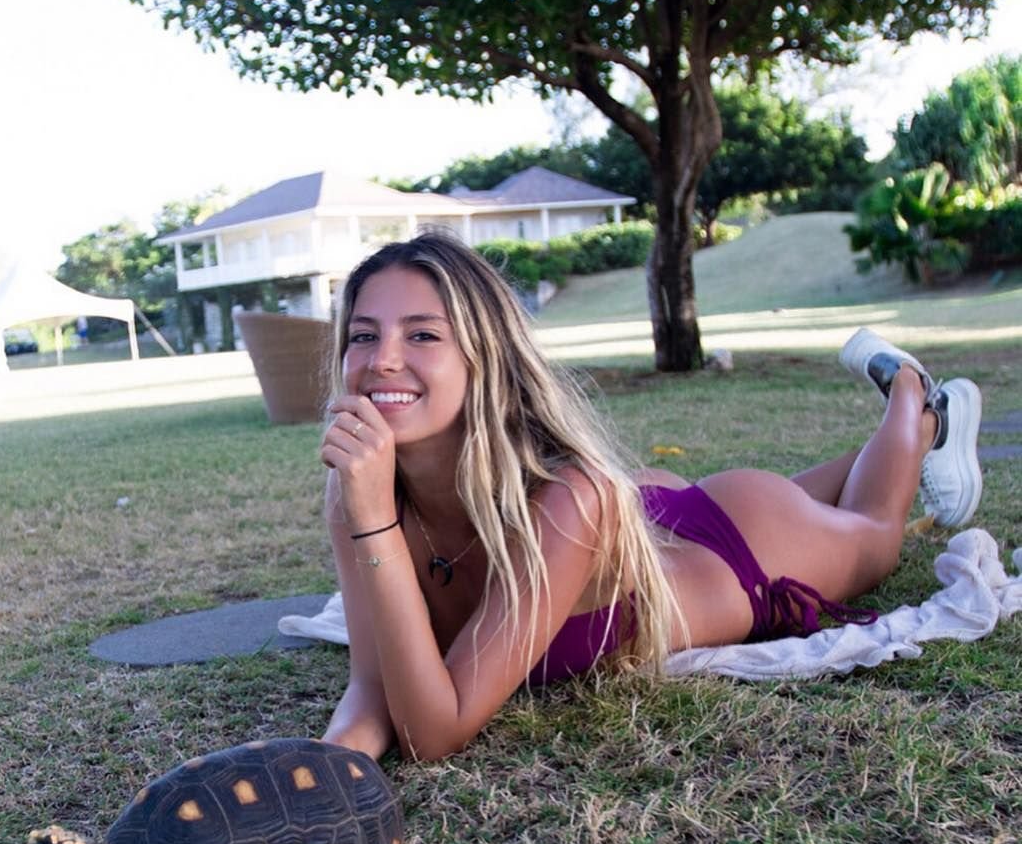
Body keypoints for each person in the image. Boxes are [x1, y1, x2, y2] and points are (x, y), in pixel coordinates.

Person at [318, 231, 983, 763]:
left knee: (876, 531)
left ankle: (914, 404)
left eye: (423, 334)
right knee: (833, 504)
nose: (382, 359)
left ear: (484, 357)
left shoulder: (565, 499)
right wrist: (325, 764)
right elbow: (374, 689)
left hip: (743, 548)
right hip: (642, 521)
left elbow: (434, 734)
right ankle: (896, 437)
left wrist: (375, 525)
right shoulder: (361, 489)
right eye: (364, 334)